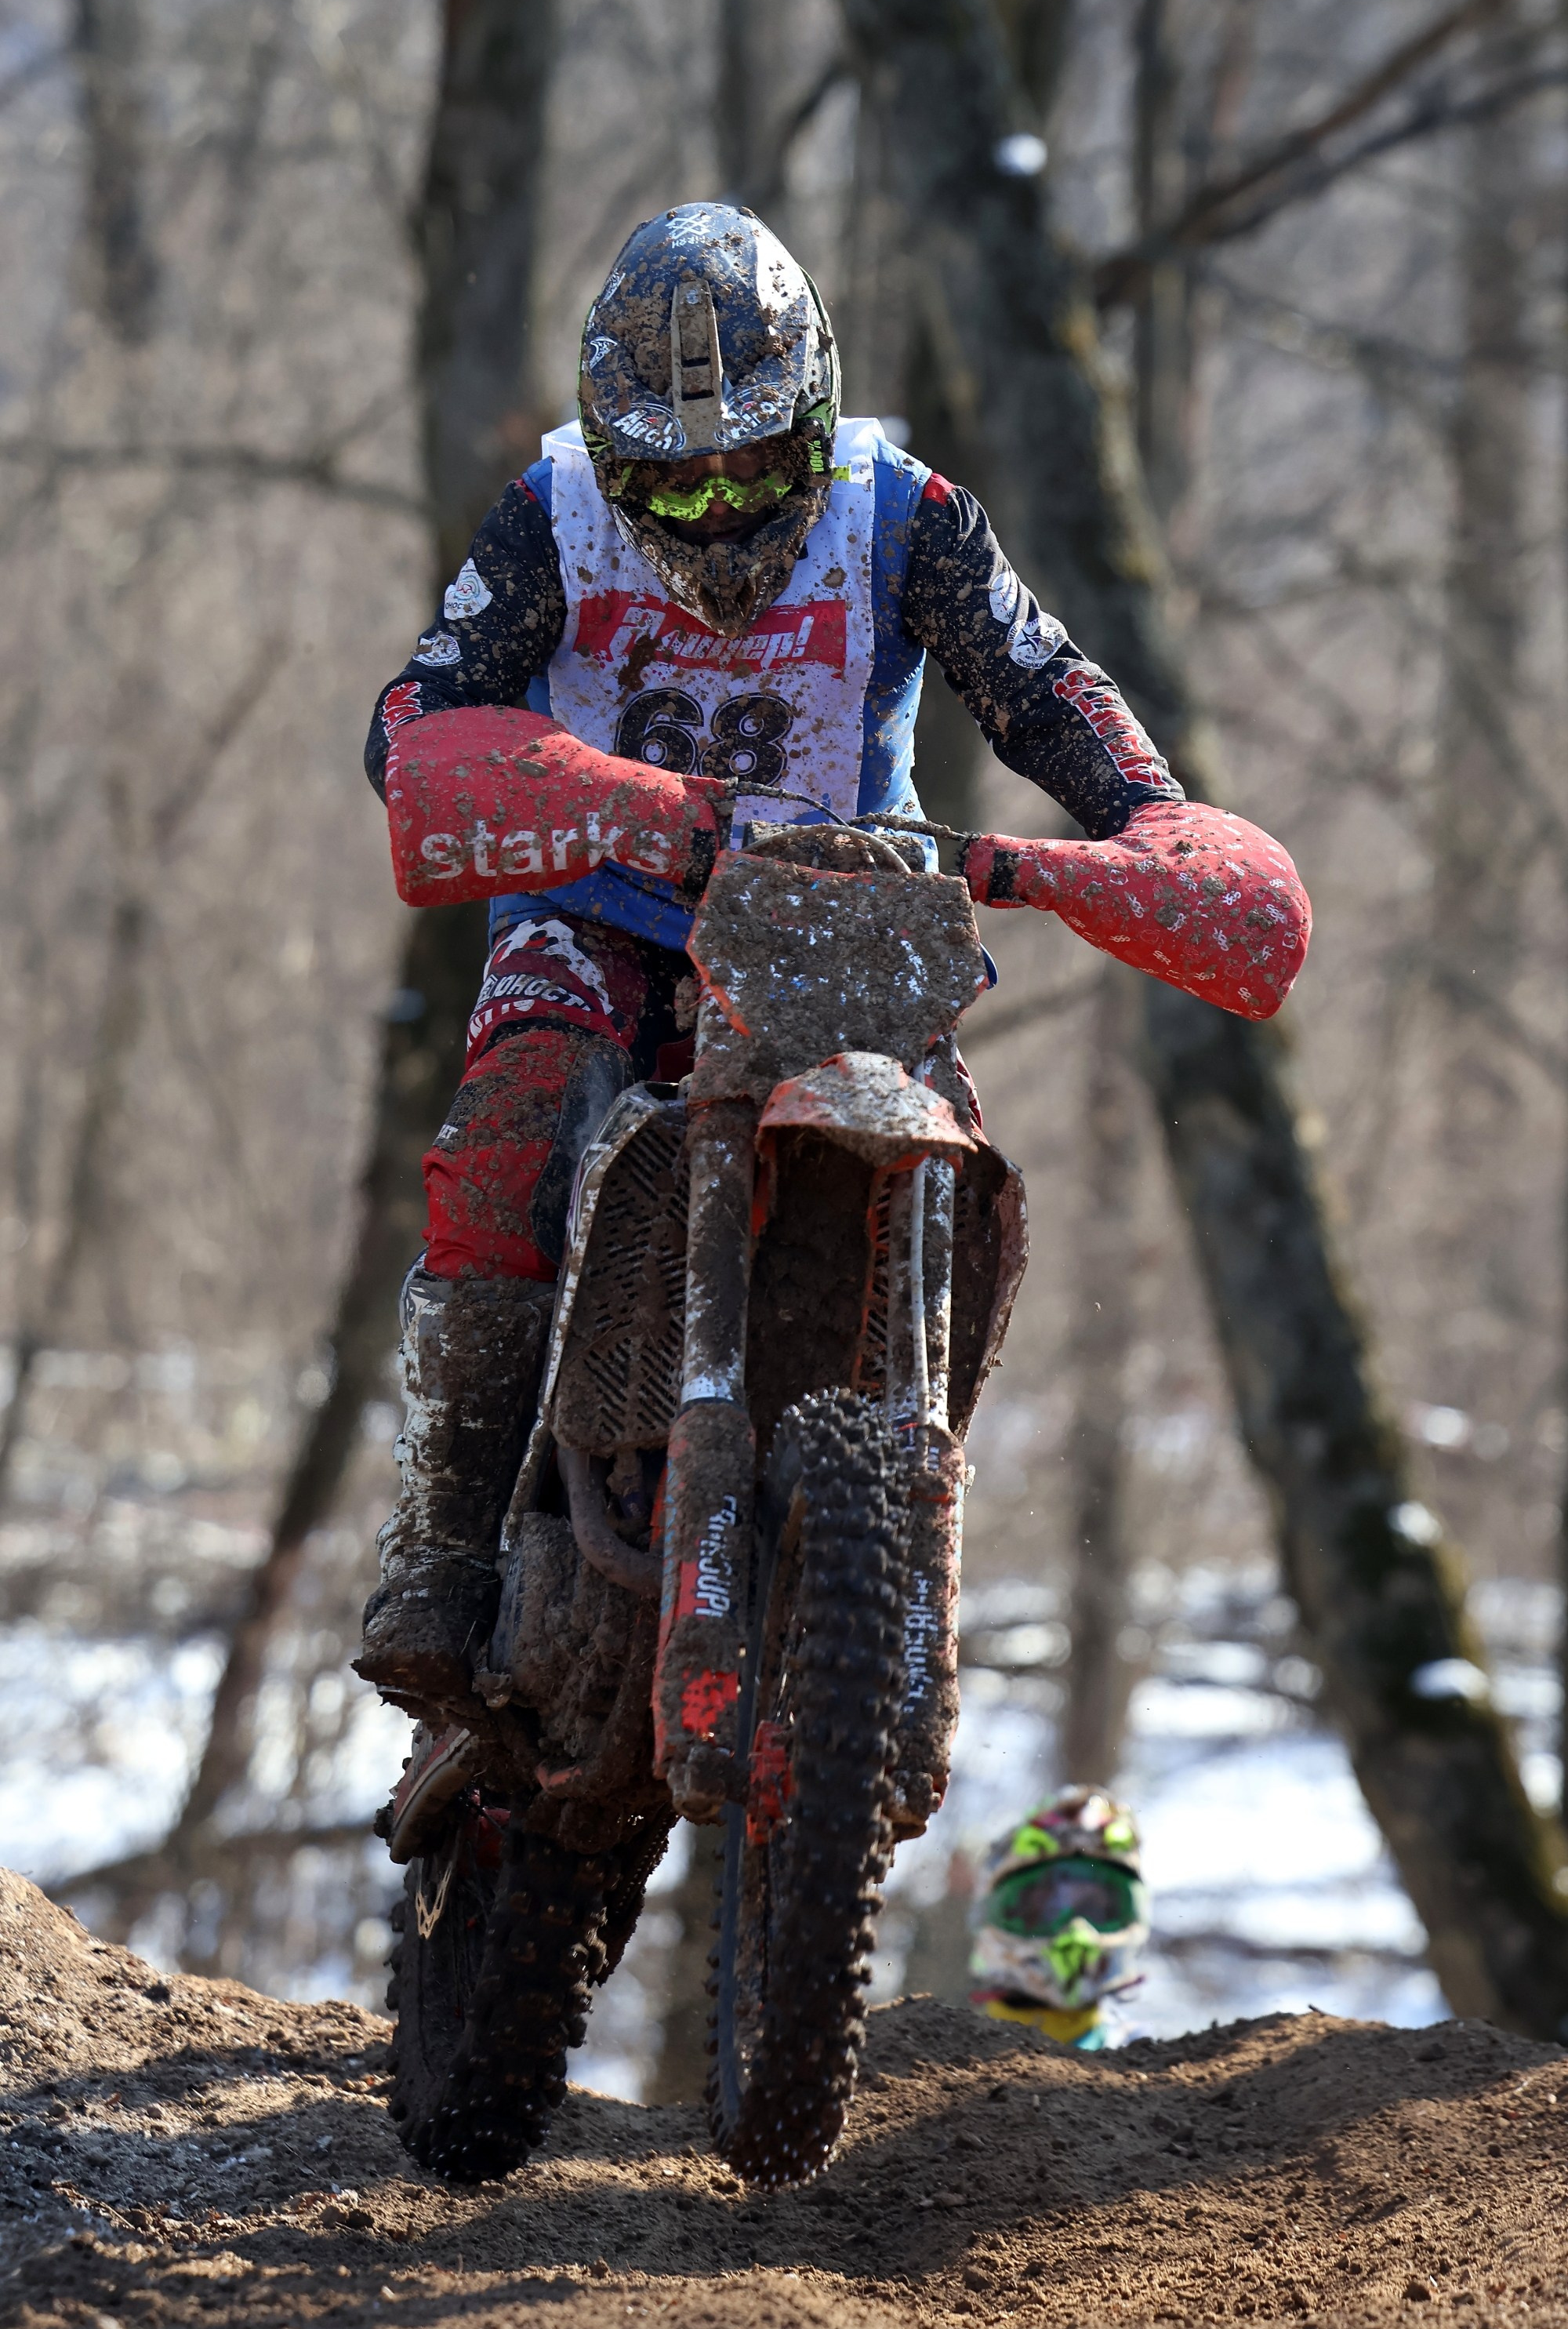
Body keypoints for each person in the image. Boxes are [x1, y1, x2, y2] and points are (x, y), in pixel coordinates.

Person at [354, 202, 1310, 1718]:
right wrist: (592, 796)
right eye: (680, 486)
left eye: (760, 466)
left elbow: (1045, 687)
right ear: (617, 469)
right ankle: (446, 1538)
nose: (726, 514)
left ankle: (908, 1524)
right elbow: (417, 719)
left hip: (840, 899)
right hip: (599, 896)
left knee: (955, 1166)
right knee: (513, 1121)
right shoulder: (548, 512)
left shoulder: (907, 514)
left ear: (816, 421)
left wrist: (1148, 825)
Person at [969, 1788, 1151, 2049]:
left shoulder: (1145, 2059)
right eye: (1044, 1909)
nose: (1075, 1932)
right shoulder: (940, 2055)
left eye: (1094, 1909)